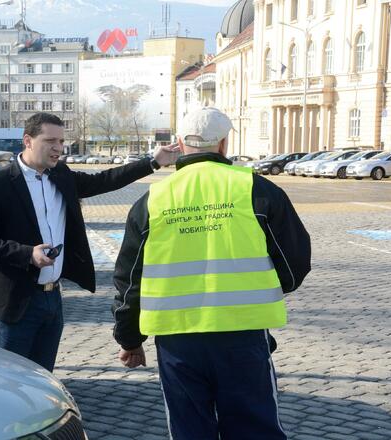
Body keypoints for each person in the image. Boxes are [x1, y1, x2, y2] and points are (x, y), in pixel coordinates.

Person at [112, 107, 311, 439]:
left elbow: (130, 279)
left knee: (189, 429)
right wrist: (262, 286)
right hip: (243, 333)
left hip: (177, 340)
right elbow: (295, 264)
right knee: (254, 428)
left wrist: (130, 339)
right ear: (223, 144)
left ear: (179, 143)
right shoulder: (256, 189)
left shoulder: (153, 200)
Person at [0, 112, 179, 372]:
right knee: (12, 381)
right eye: (50, 141)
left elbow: (105, 180)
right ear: (28, 140)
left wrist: (153, 162)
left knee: (45, 377)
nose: (58, 148)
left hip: (53, 299)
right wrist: (27, 254)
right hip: (18, 303)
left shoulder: (61, 175)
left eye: (61, 141)